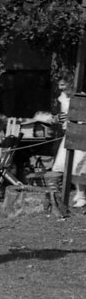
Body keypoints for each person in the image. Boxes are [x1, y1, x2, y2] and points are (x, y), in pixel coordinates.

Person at [52, 77, 86, 207]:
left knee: (80, 165)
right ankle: (78, 192)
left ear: (70, 84)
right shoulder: (61, 98)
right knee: (69, 166)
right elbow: (60, 115)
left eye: (64, 85)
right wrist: (58, 119)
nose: (62, 88)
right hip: (69, 134)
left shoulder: (81, 97)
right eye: (60, 85)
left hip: (81, 133)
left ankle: (82, 195)